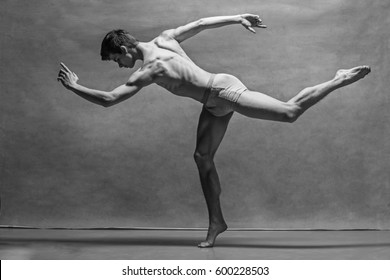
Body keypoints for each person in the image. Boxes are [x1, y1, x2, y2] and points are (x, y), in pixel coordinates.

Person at [57, 14, 371, 247]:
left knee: (289, 112)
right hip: (212, 102)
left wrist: (75, 88)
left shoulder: (150, 69)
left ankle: (338, 78)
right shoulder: (165, 38)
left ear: (124, 48)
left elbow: (110, 99)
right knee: (202, 156)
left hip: (222, 92)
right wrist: (237, 18)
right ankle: (217, 222)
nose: (120, 66)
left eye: (116, 60)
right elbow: (202, 23)